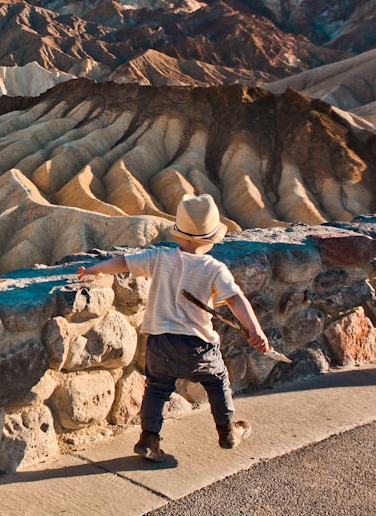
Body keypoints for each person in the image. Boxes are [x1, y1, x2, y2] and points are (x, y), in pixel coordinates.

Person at [77, 193, 270, 461]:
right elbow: (236, 299)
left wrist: (95, 270)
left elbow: (122, 263)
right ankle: (227, 431)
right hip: (198, 345)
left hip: (159, 342)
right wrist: (255, 330)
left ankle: (148, 439)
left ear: (179, 234)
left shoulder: (160, 257)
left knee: (156, 389)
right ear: (212, 239)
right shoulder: (215, 268)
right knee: (217, 381)